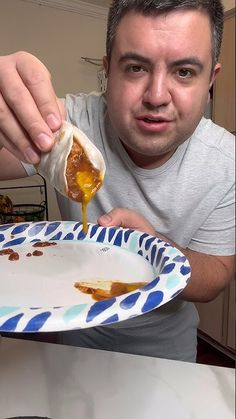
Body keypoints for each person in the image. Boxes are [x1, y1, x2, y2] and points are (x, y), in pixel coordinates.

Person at [0, 0, 235, 362]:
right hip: (72, 342)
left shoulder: (227, 162)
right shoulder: (67, 124)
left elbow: (216, 276)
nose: (157, 96)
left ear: (211, 80)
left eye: (184, 72)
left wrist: (152, 246)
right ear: (108, 72)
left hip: (166, 355)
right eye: (136, 67)